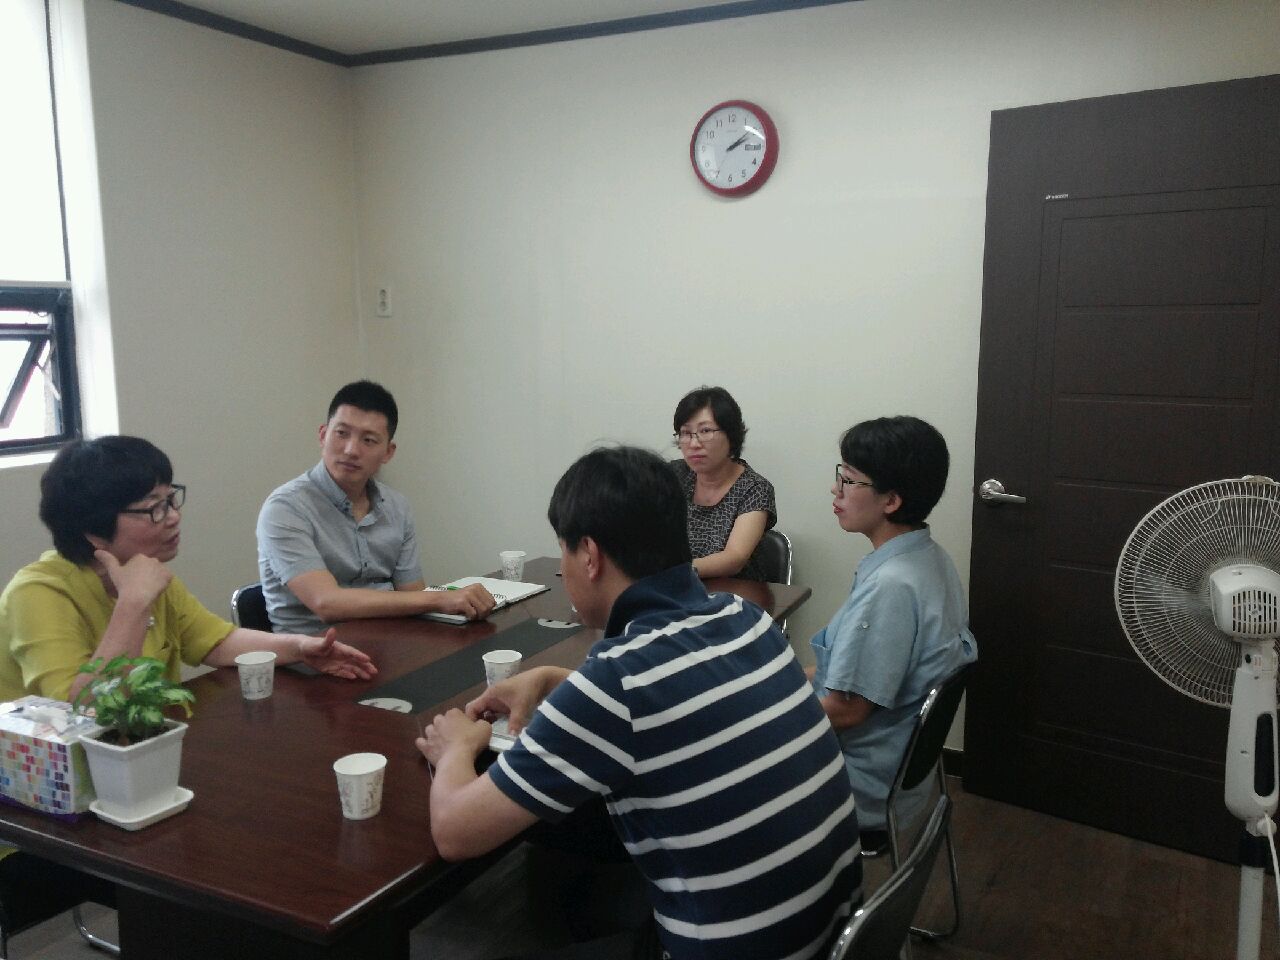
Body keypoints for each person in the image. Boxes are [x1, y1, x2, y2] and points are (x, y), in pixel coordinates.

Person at [418, 446, 861, 960]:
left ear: (589, 555)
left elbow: (456, 833)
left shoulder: (616, 681)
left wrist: (456, 747)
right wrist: (551, 678)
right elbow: (671, 700)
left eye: (563, 552)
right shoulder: (747, 620)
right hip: (833, 936)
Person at [0, 435, 378, 703]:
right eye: (154, 507)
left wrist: (301, 648)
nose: (173, 517)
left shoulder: (149, 575)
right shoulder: (37, 594)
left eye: (170, 499)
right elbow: (80, 708)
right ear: (93, 531)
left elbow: (215, 641)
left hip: (138, 752)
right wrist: (133, 604)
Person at [809, 416, 977, 844]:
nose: (835, 490)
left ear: (891, 500)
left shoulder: (891, 586)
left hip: (857, 786)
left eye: (849, 480)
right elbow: (840, 672)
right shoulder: (930, 558)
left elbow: (848, 711)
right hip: (903, 778)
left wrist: (759, 709)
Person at [256, 380, 494, 634]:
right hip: (313, 649)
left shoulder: (396, 507)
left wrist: (453, 602)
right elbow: (326, 603)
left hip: (391, 643)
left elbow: (412, 594)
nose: (351, 450)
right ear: (323, 435)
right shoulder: (286, 508)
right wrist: (439, 598)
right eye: (342, 433)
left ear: (388, 452)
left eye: (368, 440)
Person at [669, 386, 776, 580]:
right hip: (676, 587)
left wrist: (669, 572)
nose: (693, 444)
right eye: (685, 433)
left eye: (705, 431)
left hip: (735, 591)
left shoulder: (755, 488)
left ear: (731, 435)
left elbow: (734, 559)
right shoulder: (673, 475)